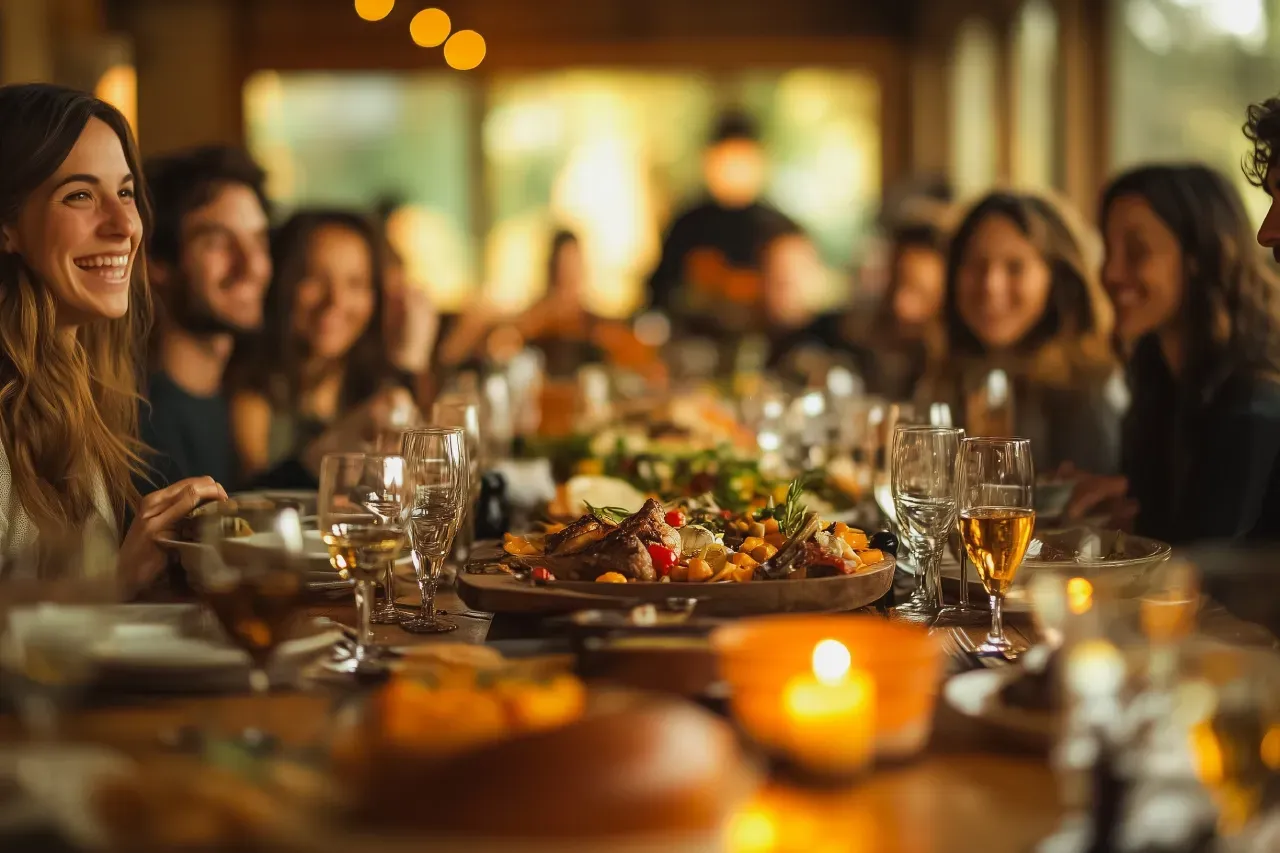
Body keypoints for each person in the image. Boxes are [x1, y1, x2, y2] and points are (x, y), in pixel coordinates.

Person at [0, 83, 224, 583]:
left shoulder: (77, 390)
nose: (125, 224)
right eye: (80, 195)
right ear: (6, 227)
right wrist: (120, 581)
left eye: (125, 192)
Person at [142, 149, 414, 491]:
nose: (253, 266)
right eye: (217, 242)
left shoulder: (220, 398)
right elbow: (220, 533)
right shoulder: (143, 422)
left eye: (257, 240)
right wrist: (328, 452)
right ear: (156, 264)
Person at [1067, 163, 1280, 543]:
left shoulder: (1252, 406)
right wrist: (1126, 504)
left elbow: (1213, 571)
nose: (1110, 273)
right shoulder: (1157, 380)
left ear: (1201, 258)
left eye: (1135, 251)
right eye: (1108, 249)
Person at [919, 191, 1123, 474]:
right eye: (976, 265)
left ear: (1058, 279)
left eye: (1014, 267)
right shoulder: (944, 376)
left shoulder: (1088, 391)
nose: (990, 284)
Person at [227, 210, 410, 481]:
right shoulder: (252, 391)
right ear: (282, 282)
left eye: (356, 283)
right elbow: (253, 502)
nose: (335, 301)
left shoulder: (373, 384)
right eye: (314, 278)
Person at [646, 110, 796, 338]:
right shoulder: (688, 226)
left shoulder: (780, 230)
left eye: (742, 159)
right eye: (727, 159)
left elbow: (796, 304)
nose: (734, 169)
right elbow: (659, 292)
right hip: (694, 345)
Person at [861, 220, 949, 399]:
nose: (899, 305)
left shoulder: (956, 380)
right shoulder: (854, 349)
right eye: (894, 285)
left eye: (919, 292)